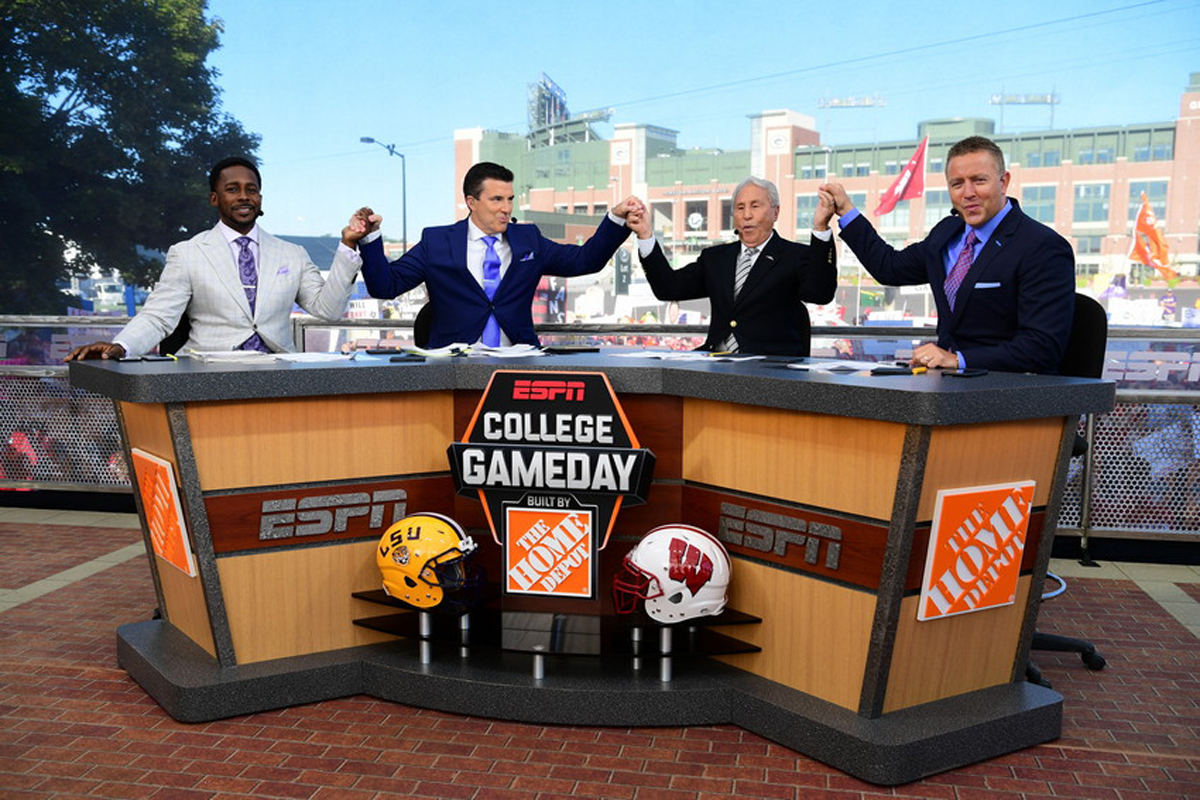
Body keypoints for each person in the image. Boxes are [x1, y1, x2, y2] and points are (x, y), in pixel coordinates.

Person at [66, 157, 370, 361]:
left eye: (251, 190)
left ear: (260, 199)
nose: (243, 197)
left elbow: (328, 310)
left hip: (277, 375)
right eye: (232, 189)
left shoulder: (292, 253)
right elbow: (158, 317)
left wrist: (346, 247)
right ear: (215, 198)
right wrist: (120, 346)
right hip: (207, 374)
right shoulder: (187, 254)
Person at [820, 136, 1075, 374]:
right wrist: (846, 210)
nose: (968, 193)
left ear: (1004, 182)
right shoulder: (947, 233)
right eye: (957, 184)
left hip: (1008, 394)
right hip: (945, 388)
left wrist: (957, 360)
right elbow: (889, 267)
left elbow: (1042, 348)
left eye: (979, 180)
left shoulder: (1043, 247)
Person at [356, 162, 643, 348]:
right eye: (496, 199)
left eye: (510, 199)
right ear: (472, 202)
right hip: (453, 369)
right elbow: (385, 286)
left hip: (518, 364)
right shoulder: (437, 241)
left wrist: (616, 220)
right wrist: (370, 238)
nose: (506, 208)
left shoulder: (528, 239)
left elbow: (586, 260)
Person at [625, 176, 837, 355]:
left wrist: (820, 228)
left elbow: (820, 294)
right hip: (716, 364)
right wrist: (645, 236)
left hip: (773, 370)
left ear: (776, 212)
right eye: (740, 208)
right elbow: (668, 288)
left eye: (755, 206)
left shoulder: (796, 256)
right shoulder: (716, 258)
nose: (746, 215)